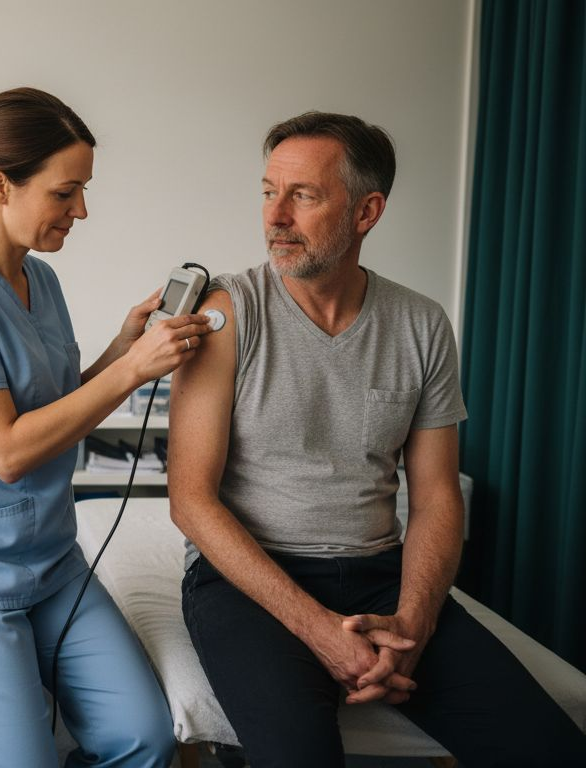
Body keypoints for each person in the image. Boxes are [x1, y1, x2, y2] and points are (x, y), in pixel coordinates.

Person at [167, 111, 586, 766]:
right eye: (269, 191)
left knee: (552, 750)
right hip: (251, 581)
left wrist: (414, 625)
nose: (275, 217)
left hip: (380, 577)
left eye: (303, 195)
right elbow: (191, 501)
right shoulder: (227, 313)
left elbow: (439, 497)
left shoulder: (421, 324)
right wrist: (324, 635)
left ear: (367, 212)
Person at [0, 87, 211, 768]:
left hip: (51, 563)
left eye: (84, 191)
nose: (82, 210)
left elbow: (54, 406)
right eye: (67, 193)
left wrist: (125, 347)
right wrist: (129, 374)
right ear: (2, 186)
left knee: (144, 741)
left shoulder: (41, 280)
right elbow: (7, 450)